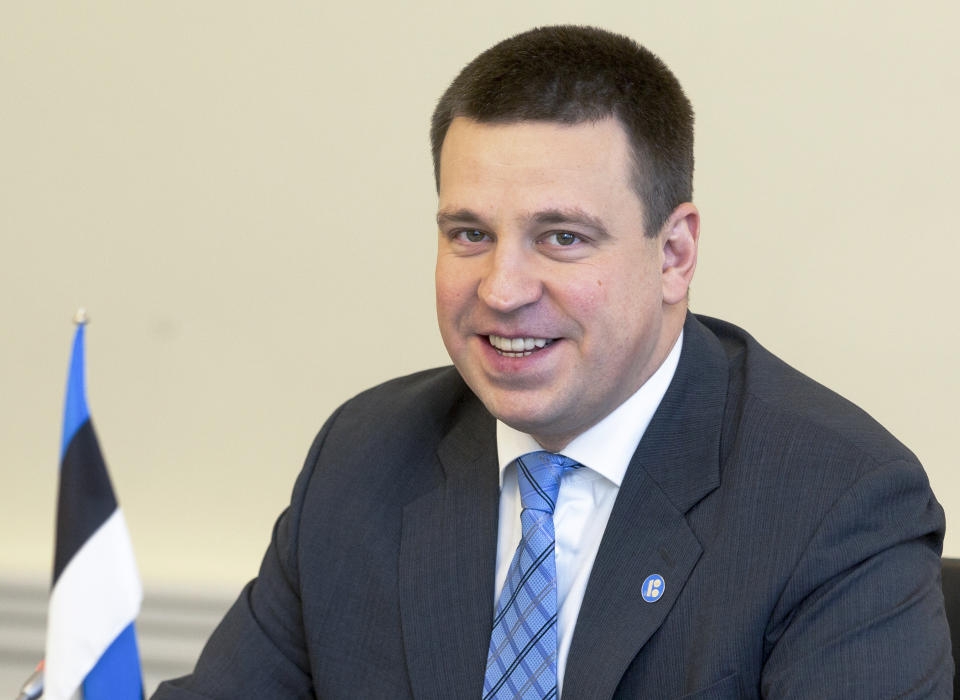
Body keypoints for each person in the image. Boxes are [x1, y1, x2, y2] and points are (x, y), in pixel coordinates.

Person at [154, 25, 952, 699]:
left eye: (561, 238)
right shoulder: (364, 457)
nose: (501, 290)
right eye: (470, 233)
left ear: (674, 254)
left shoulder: (835, 502)